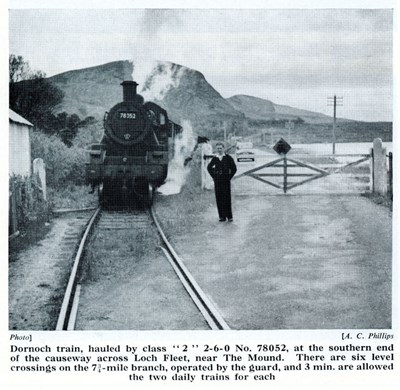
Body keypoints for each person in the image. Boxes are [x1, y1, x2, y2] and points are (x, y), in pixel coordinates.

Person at [207, 142, 237, 222]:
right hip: (218, 181)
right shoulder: (215, 158)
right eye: (218, 148)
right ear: (216, 149)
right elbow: (209, 167)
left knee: (227, 198)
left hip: (226, 181)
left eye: (221, 148)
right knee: (219, 198)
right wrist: (214, 176)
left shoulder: (228, 158)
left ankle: (229, 216)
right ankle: (222, 216)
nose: (219, 150)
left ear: (223, 148)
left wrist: (229, 177)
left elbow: (234, 169)